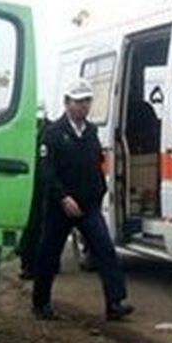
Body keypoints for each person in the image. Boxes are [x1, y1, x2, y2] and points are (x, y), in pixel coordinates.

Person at [31, 78, 132, 321]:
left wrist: (99, 192)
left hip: (88, 206)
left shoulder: (91, 132)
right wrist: (63, 197)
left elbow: (96, 164)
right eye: (78, 102)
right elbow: (45, 170)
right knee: (48, 254)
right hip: (60, 206)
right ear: (67, 103)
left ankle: (115, 303)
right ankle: (41, 302)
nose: (83, 106)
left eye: (87, 101)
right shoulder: (52, 133)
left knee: (105, 250)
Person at [18, 107, 51, 279]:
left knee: (36, 227)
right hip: (35, 185)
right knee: (34, 226)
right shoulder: (44, 131)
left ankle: (30, 264)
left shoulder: (39, 132)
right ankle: (30, 264)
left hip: (38, 185)